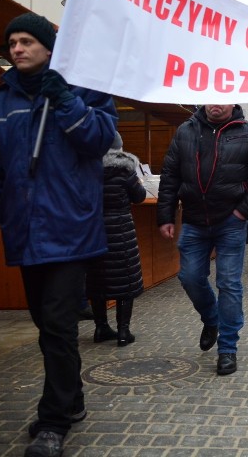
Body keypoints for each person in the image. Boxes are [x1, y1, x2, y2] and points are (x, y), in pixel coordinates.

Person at [0, 12, 118, 457]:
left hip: (72, 229)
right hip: (25, 233)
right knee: (45, 325)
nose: (17, 48)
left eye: (27, 41)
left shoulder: (84, 91)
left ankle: (53, 421)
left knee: (57, 324)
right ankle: (71, 400)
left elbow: (99, 141)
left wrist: (66, 99)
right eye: (11, 42)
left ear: (49, 48)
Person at [157, 104, 248, 376]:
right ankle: (212, 319)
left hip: (230, 222)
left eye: (222, 97)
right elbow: (170, 175)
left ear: (233, 102)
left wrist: (242, 211)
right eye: (210, 97)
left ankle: (227, 348)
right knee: (189, 277)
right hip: (194, 221)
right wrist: (165, 215)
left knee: (229, 283)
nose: (216, 103)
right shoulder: (185, 131)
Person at [88, 131, 146, 347]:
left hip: (94, 230)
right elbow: (139, 197)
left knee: (97, 279)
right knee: (126, 279)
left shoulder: (88, 168)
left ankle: (100, 328)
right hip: (121, 230)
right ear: (120, 147)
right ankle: (123, 331)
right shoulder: (126, 169)